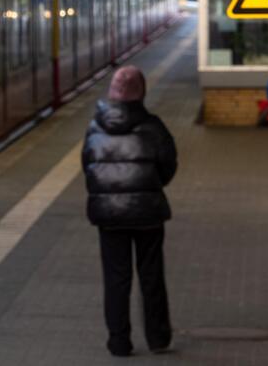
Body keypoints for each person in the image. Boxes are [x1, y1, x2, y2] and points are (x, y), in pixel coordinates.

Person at [82, 65, 178, 357]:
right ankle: (158, 338)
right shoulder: (154, 126)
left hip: (109, 216)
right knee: (151, 275)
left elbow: (89, 167)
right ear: (141, 92)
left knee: (115, 278)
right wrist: (149, 186)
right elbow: (168, 166)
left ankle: (119, 342)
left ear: (113, 91)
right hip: (147, 213)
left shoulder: (94, 127)